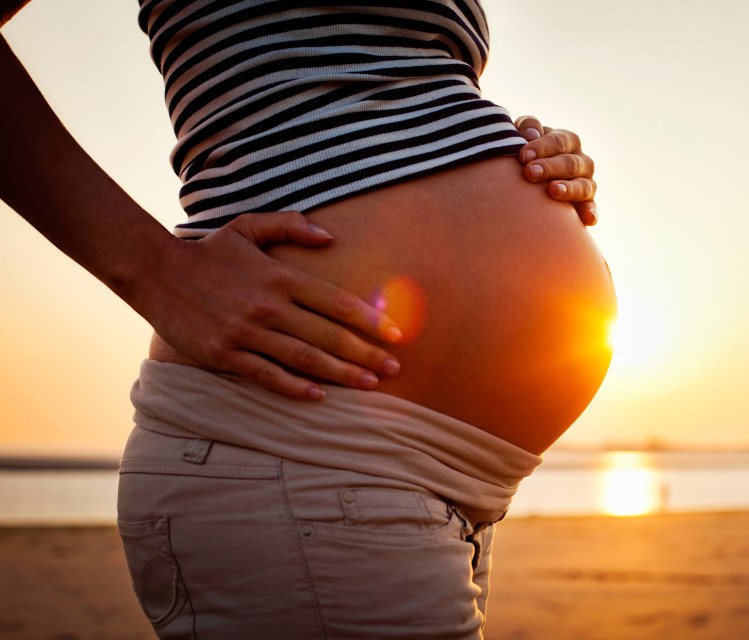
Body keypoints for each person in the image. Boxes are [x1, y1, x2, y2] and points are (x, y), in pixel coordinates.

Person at [1, 2, 617, 638]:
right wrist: (154, 270)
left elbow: (373, 84)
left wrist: (507, 148)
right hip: (296, 445)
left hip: (431, 478)